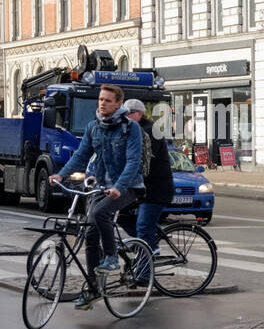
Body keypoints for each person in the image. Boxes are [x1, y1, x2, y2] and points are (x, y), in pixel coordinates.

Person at [49, 84, 145, 310]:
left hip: (128, 186)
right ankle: (94, 290)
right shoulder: (94, 127)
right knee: (90, 235)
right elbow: (81, 156)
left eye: (107, 100)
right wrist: (61, 176)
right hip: (102, 186)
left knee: (101, 213)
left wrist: (120, 187)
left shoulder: (130, 129)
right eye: (100, 99)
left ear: (119, 104)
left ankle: (112, 257)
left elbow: (133, 162)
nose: (102, 103)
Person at [119, 99, 174, 276]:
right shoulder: (129, 130)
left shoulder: (152, 132)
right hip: (140, 189)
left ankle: (143, 273)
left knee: (143, 226)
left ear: (139, 113)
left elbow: (143, 162)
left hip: (156, 189)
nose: (126, 117)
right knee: (119, 213)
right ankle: (146, 243)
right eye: (124, 114)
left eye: (129, 114)